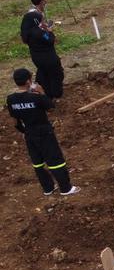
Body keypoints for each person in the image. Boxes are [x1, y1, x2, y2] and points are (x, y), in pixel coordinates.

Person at [7, 68, 78, 196]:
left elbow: (15, 121)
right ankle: (66, 188)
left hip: (29, 133)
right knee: (55, 160)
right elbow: (51, 108)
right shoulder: (36, 97)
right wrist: (42, 92)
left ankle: (48, 188)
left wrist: (24, 131)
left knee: (38, 163)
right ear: (28, 81)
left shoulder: (11, 99)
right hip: (44, 132)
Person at [21, 0, 64, 99]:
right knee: (56, 74)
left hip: (37, 57)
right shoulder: (38, 32)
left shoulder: (27, 33)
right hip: (48, 57)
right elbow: (50, 39)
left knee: (43, 74)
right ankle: (54, 94)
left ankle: (45, 93)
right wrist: (49, 30)